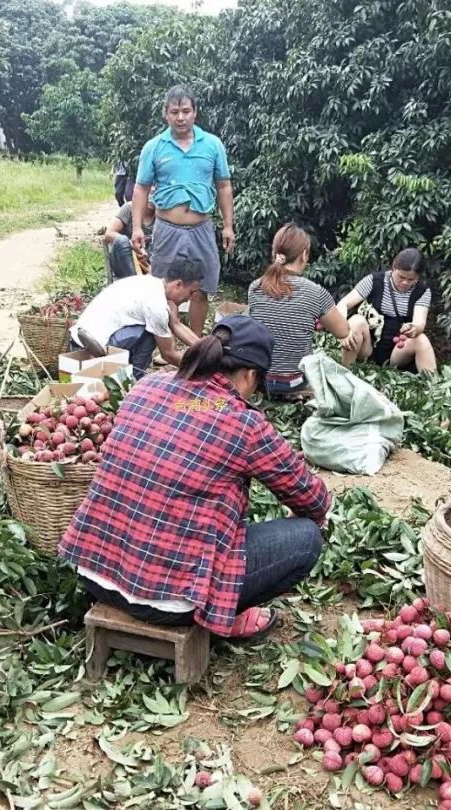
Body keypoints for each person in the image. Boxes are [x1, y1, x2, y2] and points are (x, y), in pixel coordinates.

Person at [59, 315, 331, 640]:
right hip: (167, 602)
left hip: (94, 573)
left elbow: (194, 410)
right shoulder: (243, 423)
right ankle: (224, 618)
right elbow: (312, 500)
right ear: (249, 375)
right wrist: (312, 509)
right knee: (306, 538)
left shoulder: (148, 385)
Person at [132, 86, 233, 337]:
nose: (180, 117)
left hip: (201, 229)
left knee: (201, 289)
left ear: (195, 113)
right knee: (163, 288)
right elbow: (141, 189)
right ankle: (165, 343)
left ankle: (195, 342)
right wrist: (136, 228)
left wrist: (228, 225)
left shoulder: (212, 144)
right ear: (165, 114)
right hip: (167, 229)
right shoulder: (154, 147)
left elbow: (223, 186)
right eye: (174, 111)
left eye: (186, 111)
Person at [247, 224, 356, 396]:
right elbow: (343, 332)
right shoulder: (315, 292)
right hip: (292, 383)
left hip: (257, 380)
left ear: (274, 253)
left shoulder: (256, 286)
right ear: (304, 254)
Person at [69, 255, 203, 378]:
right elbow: (168, 354)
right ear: (178, 285)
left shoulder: (151, 283)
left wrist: (207, 348)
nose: (189, 299)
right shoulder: (157, 306)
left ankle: (134, 375)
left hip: (81, 336)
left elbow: (176, 325)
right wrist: (201, 372)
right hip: (94, 347)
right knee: (152, 332)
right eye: (191, 292)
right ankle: (135, 376)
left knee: (156, 327)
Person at [336, 247, 438, 373]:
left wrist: (413, 328)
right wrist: (342, 331)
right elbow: (343, 304)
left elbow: (420, 323)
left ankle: (434, 387)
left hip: (397, 351)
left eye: (411, 279)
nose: (405, 282)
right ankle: (344, 372)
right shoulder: (373, 281)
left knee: (421, 339)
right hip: (368, 348)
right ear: (393, 267)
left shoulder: (422, 291)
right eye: (401, 276)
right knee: (356, 321)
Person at [103, 195, 155, 279]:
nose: (151, 197)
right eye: (149, 192)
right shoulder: (129, 208)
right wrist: (133, 245)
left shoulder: (165, 217)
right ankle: (134, 283)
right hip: (126, 262)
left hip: (151, 266)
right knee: (122, 240)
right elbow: (109, 233)